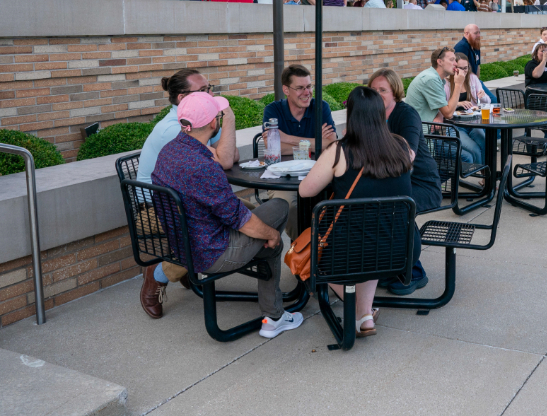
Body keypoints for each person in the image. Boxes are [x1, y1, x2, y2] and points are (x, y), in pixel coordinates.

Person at [152, 92, 303, 338]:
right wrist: (273, 234)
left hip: (183, 246)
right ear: (214, 123)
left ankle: (274, 312)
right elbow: (239, 220)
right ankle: (274, 317)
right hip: (212, 252)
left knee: (265, 222)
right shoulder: (204, 166)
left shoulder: (170, 151)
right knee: (278, 216)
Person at [299, 86, 417, 338]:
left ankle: (358, 311)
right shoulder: (403, 146)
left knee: (320, 259)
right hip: (401, 248)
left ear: (350, 116)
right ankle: (364, 317)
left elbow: (305, 191)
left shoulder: (340, 151)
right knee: (372, 236)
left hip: (349, 252)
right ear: (380, 114)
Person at [136, 68, 240, 318]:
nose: (211, 95)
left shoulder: (197, 120)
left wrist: (223, 145)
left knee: (247, 214)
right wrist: (230, 120)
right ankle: (158, 274)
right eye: (203, 91)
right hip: (156, 206)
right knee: (223, 226)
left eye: (210, 88)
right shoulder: (172, 129)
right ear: (183, 98)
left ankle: (186, 269)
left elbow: (230, 156)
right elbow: (225, 160)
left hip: (187, 198)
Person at [368, 68, 440, 294]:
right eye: (373, 90)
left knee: (395, 208)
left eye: (383, 90)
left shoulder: (406, 114)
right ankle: (387, 267)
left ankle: (414, 272)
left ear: (395, 93)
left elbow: (408, 156)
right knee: (367, 207)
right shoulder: (370, 117)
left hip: (421, 184)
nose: (377, 95)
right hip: (387, 184)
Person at [262, 65, 337, 238]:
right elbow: (274, 148)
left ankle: (323, 250)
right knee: (289, 205)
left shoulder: (321, 107)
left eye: (309, 86)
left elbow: (331, 144)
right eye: (300, 88)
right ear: (286, 90)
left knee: (334, 203)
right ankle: (302, 252)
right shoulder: (273, 110)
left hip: (319, 173)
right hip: (282, 177)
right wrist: (316, 143)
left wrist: (287, 138)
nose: (307, 92)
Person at [444, 53, 490, 164]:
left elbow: (487, 102)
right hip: (455, 125)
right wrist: (459, 103)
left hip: (473, 122)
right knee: (474, 149)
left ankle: (486, 178)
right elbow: (443, 106)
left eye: (466, 68)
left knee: (485, 143)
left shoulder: (472, 78)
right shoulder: (446, 83)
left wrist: (483, 97)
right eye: (461, 68)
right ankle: (481, 174)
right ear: (454, 67)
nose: (464, 71)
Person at [406, 46, 466, 123]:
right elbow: (448, 114)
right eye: (452, 60)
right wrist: (458, 84)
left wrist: (439, 115)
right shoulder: (430, 79)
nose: (455, 63)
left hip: (427, 128)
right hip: (421, 131)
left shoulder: (435, 77)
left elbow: (443, 107)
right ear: (440, 62)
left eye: (455, 60)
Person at [454, 23, 497, 103]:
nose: (478, 35)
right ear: (467, 33)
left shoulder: (475, 45)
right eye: (475, 33)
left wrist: (476, 81)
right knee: (493, 101)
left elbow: (477, 66)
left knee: (492, 100)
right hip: (464, 81)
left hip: (474, 80)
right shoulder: (461, 46)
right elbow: (457, 67)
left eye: (479, 32)